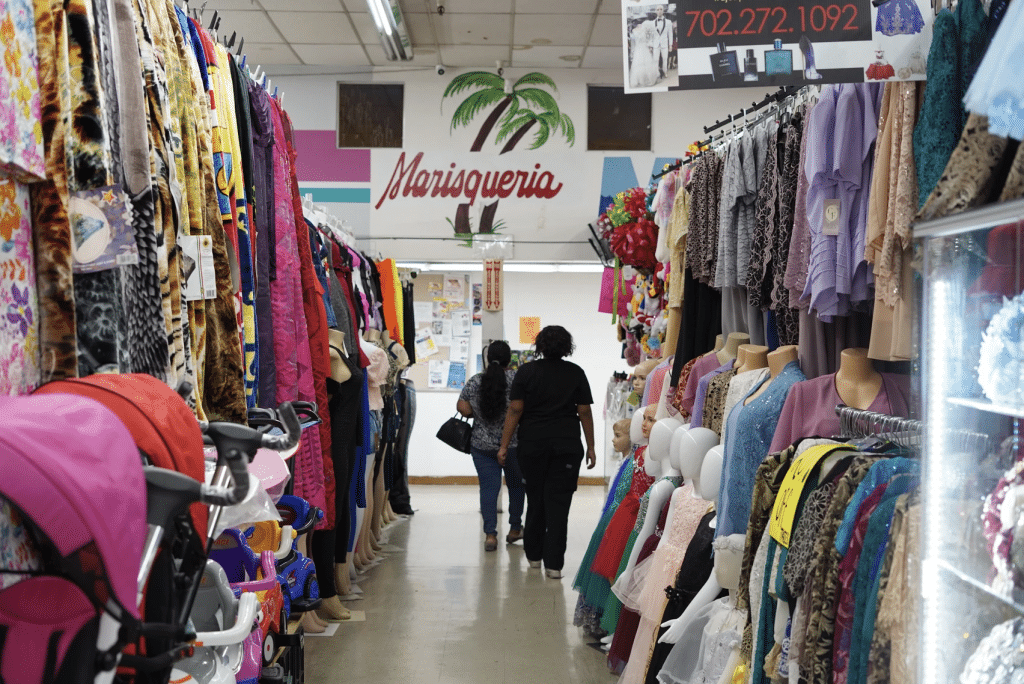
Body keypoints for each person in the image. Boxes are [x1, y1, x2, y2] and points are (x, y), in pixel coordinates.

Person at [498, 326, 596, 579]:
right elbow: (584, 411)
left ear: (539, 345)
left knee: (535, 500)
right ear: (567, 347)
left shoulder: (526, 372)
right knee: (559, 505)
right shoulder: (575, 373)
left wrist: (504, 445)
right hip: (566, 446)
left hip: (532, 445)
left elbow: (515, 410)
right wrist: (592, 446)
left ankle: (533, 557)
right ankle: (554, 565)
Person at [458, 340, 525, 552]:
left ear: (487, 358)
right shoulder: (516, 380)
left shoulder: (475, 381)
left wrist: (480, 412)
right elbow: (523, 408)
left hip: (482, 446)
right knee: (516, 486)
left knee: (488, 489)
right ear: (509, 359)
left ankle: (490, 535)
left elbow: (463, 408)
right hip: (514, 445)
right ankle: (515, 529)